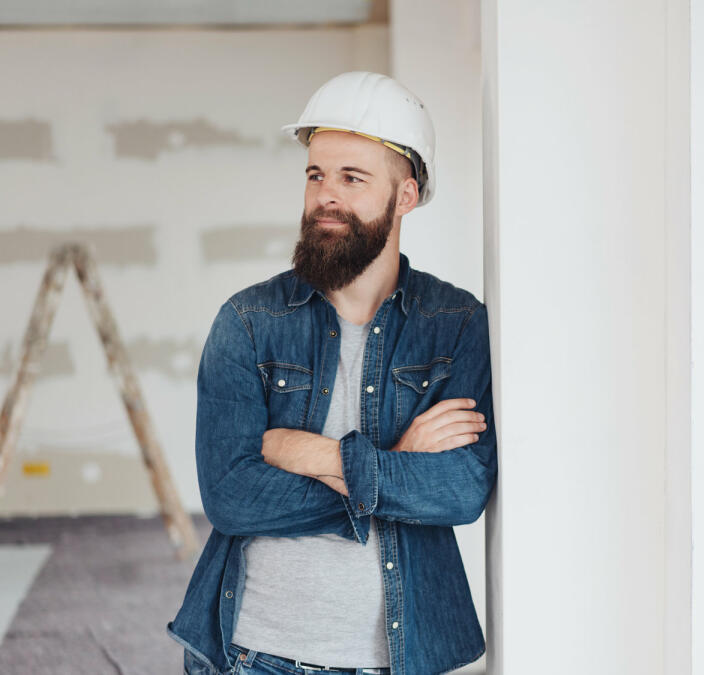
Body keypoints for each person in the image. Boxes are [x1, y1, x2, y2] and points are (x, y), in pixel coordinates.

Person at [169, 72, 496, 675]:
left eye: (352, 178)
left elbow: (461, 489)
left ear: (406, 196)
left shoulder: (454, 324)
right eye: (316, 174)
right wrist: (397, 458)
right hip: (253, 656)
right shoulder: (249, 321)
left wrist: (313, 453)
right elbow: (232, 497)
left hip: (401, 660)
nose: (326, 195)